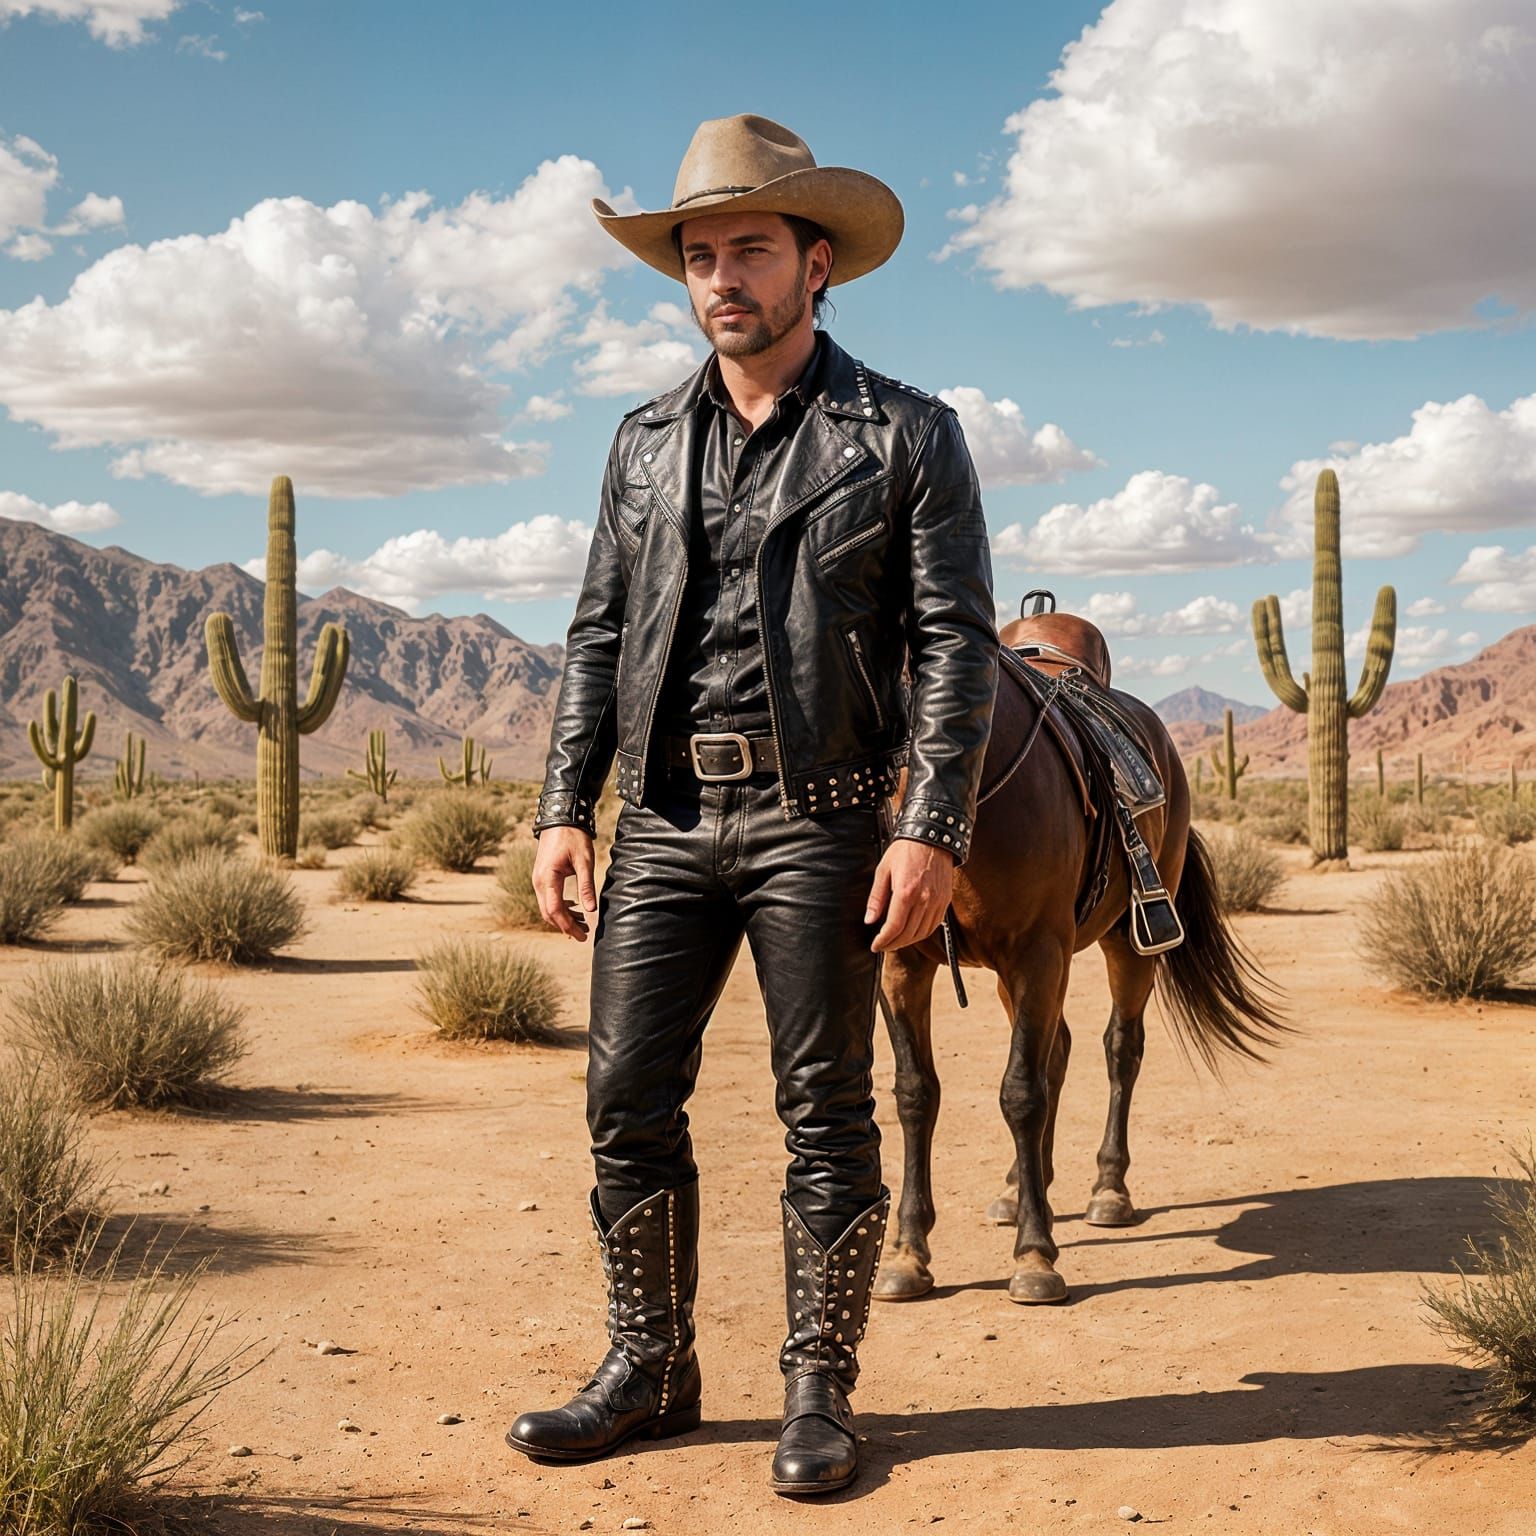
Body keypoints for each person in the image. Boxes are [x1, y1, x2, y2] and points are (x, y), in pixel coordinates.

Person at [505, 113, 998, 1495]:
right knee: (624, 1099)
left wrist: (930, 824)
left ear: (816, 263)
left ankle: (818, 1393)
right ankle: (651, 1367)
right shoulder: (644, 442)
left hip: (823, 815)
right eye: (699, 254)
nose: (722, 276)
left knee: (824, 1111)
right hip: (661, 817)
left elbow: (957, 640)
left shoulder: (904, 436)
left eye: (751, 250)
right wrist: (563, 808)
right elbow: (598, 634)